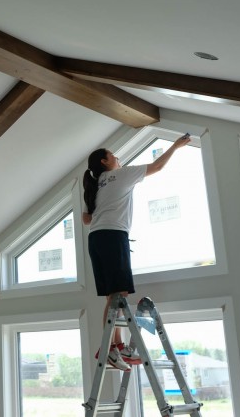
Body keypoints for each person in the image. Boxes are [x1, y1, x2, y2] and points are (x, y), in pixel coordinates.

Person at [82, 133, 191, 371]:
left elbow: (86, 219)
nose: (118, 158)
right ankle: (110, 349)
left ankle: (117, 346)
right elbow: (157, 167)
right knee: (117, 294)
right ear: (104, 161)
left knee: (114, 296)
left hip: (97, 239)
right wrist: (175, 146)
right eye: (114, 155)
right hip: (113, 236)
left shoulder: (95, 185)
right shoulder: (121, 174)